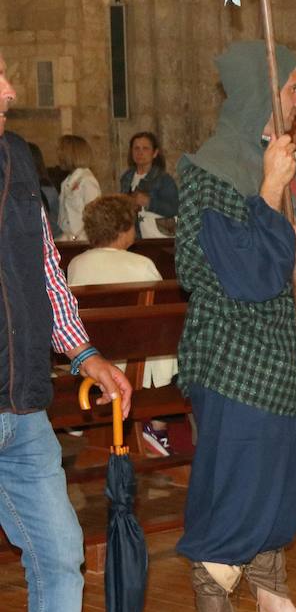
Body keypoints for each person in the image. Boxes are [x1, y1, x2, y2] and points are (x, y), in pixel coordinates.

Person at [174, 41, 296, 612]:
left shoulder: (288, 165)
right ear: (259, 92)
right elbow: (238, 274)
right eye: (294, 89)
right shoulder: (212, 169)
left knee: (284, 481)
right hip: (232, 355)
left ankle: (273, 606)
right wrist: (270, 193)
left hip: (283, 352)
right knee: (236, 486)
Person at [0, 49, 142, 612]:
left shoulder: (18, 161)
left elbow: (47, 271)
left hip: (21, 403)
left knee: (59, 553)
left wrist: (84, 353)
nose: (12, 85)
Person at [67, 195, 180, 455]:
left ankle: (83, 421)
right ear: (123, 230)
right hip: (136, 366)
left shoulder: (77, 263)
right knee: (165, 346)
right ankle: (157, 427)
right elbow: (158, 316)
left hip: (93, 362)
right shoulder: (142, 264)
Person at [119, 131, 179, 238]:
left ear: (155, 153)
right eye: (136, 148)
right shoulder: (126, 178)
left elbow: (175, 209)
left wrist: (149, 202)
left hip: (158, 239)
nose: (140, 153)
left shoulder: (164, 179)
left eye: (145, 148)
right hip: (134, 238)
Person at [56, 134, 100, 241]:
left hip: (82, 242)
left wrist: (77, 238)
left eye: (61, 150)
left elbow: (94, 217)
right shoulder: (66, 181)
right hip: (67, 239)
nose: (58, 154)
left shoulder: (87, 180)